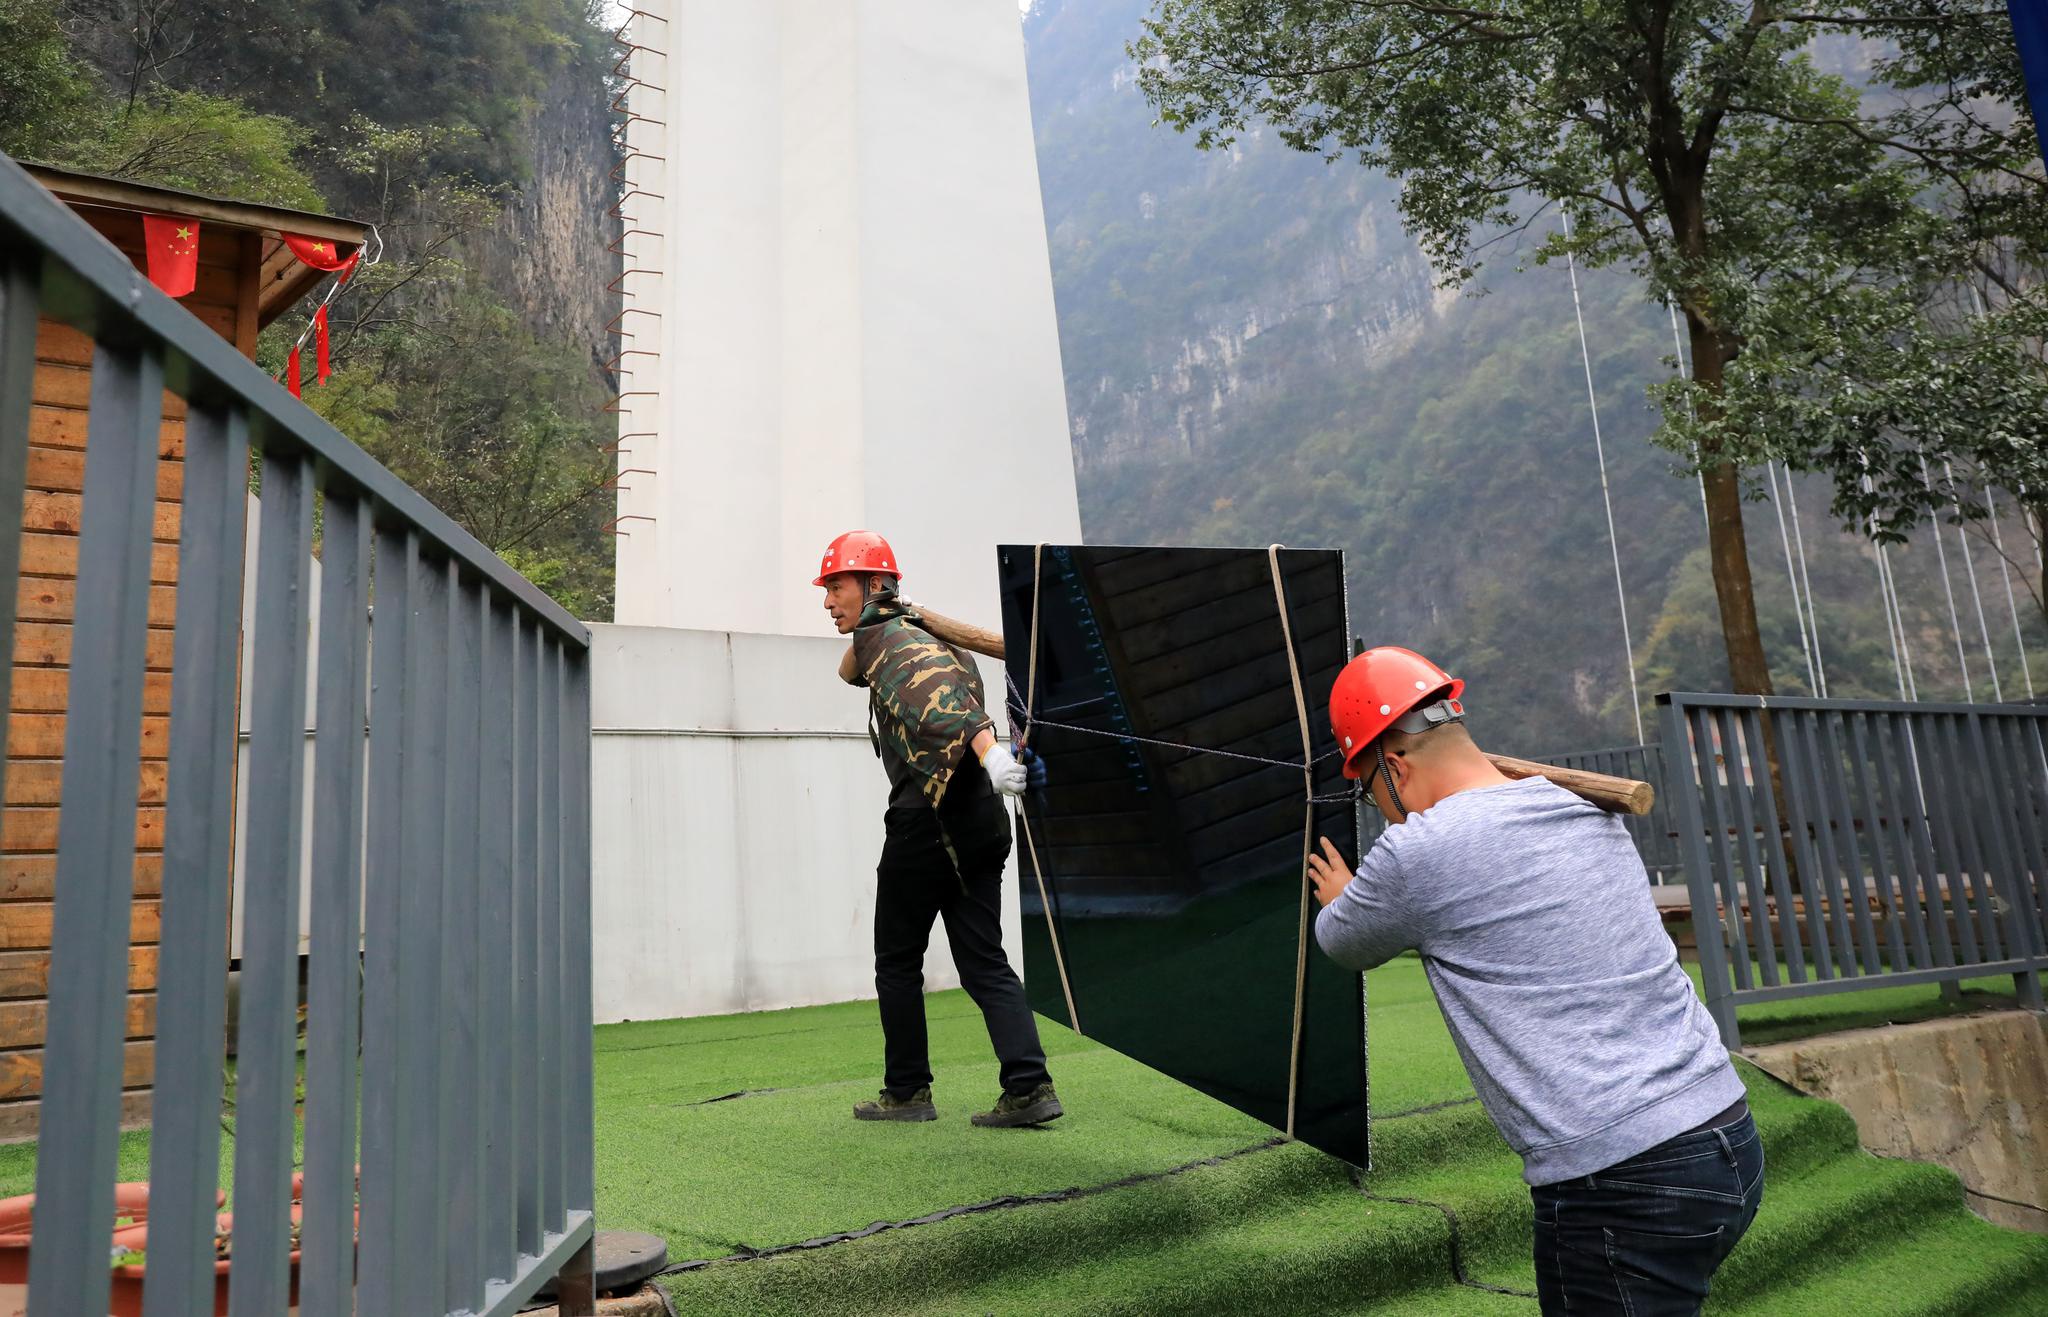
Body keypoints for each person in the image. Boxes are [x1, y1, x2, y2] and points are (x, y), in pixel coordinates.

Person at [1306, 646, 1761, 1317]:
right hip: (1727, 1132)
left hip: (1623, 1179)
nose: (1378, 807)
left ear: (1396, 766)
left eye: (1369, 788)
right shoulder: (1580, 808)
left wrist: (1343, 893)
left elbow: (1343, 939)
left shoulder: (1418, 853)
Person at [817, 530, 1063, 1128]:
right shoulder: (912, 635)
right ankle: (1030, 1089)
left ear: (874, 584)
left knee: (897, 960)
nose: (827, 600)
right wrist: (886, 616)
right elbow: (850, 671)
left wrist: (992, 751)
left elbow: (946, 703)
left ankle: (906, 1093)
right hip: (982, 816)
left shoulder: (893, 639)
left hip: (929, 821)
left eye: (837, 585)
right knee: (983, 959)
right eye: (825, 588)